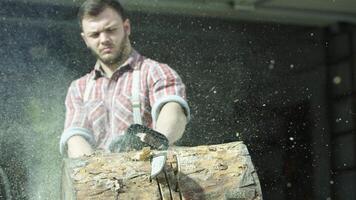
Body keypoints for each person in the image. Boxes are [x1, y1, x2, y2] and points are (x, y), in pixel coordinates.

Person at [59, 0, 190, 158]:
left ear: (126, 28)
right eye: (95, 34)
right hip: (100, 179)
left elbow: (173, 111)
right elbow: (75, 138)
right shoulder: (79, 88)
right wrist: (93, 169)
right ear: (85, 40)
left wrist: (153, 143)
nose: (104, 39)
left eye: (111, 30)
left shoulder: (156, 72)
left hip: (149, 175)